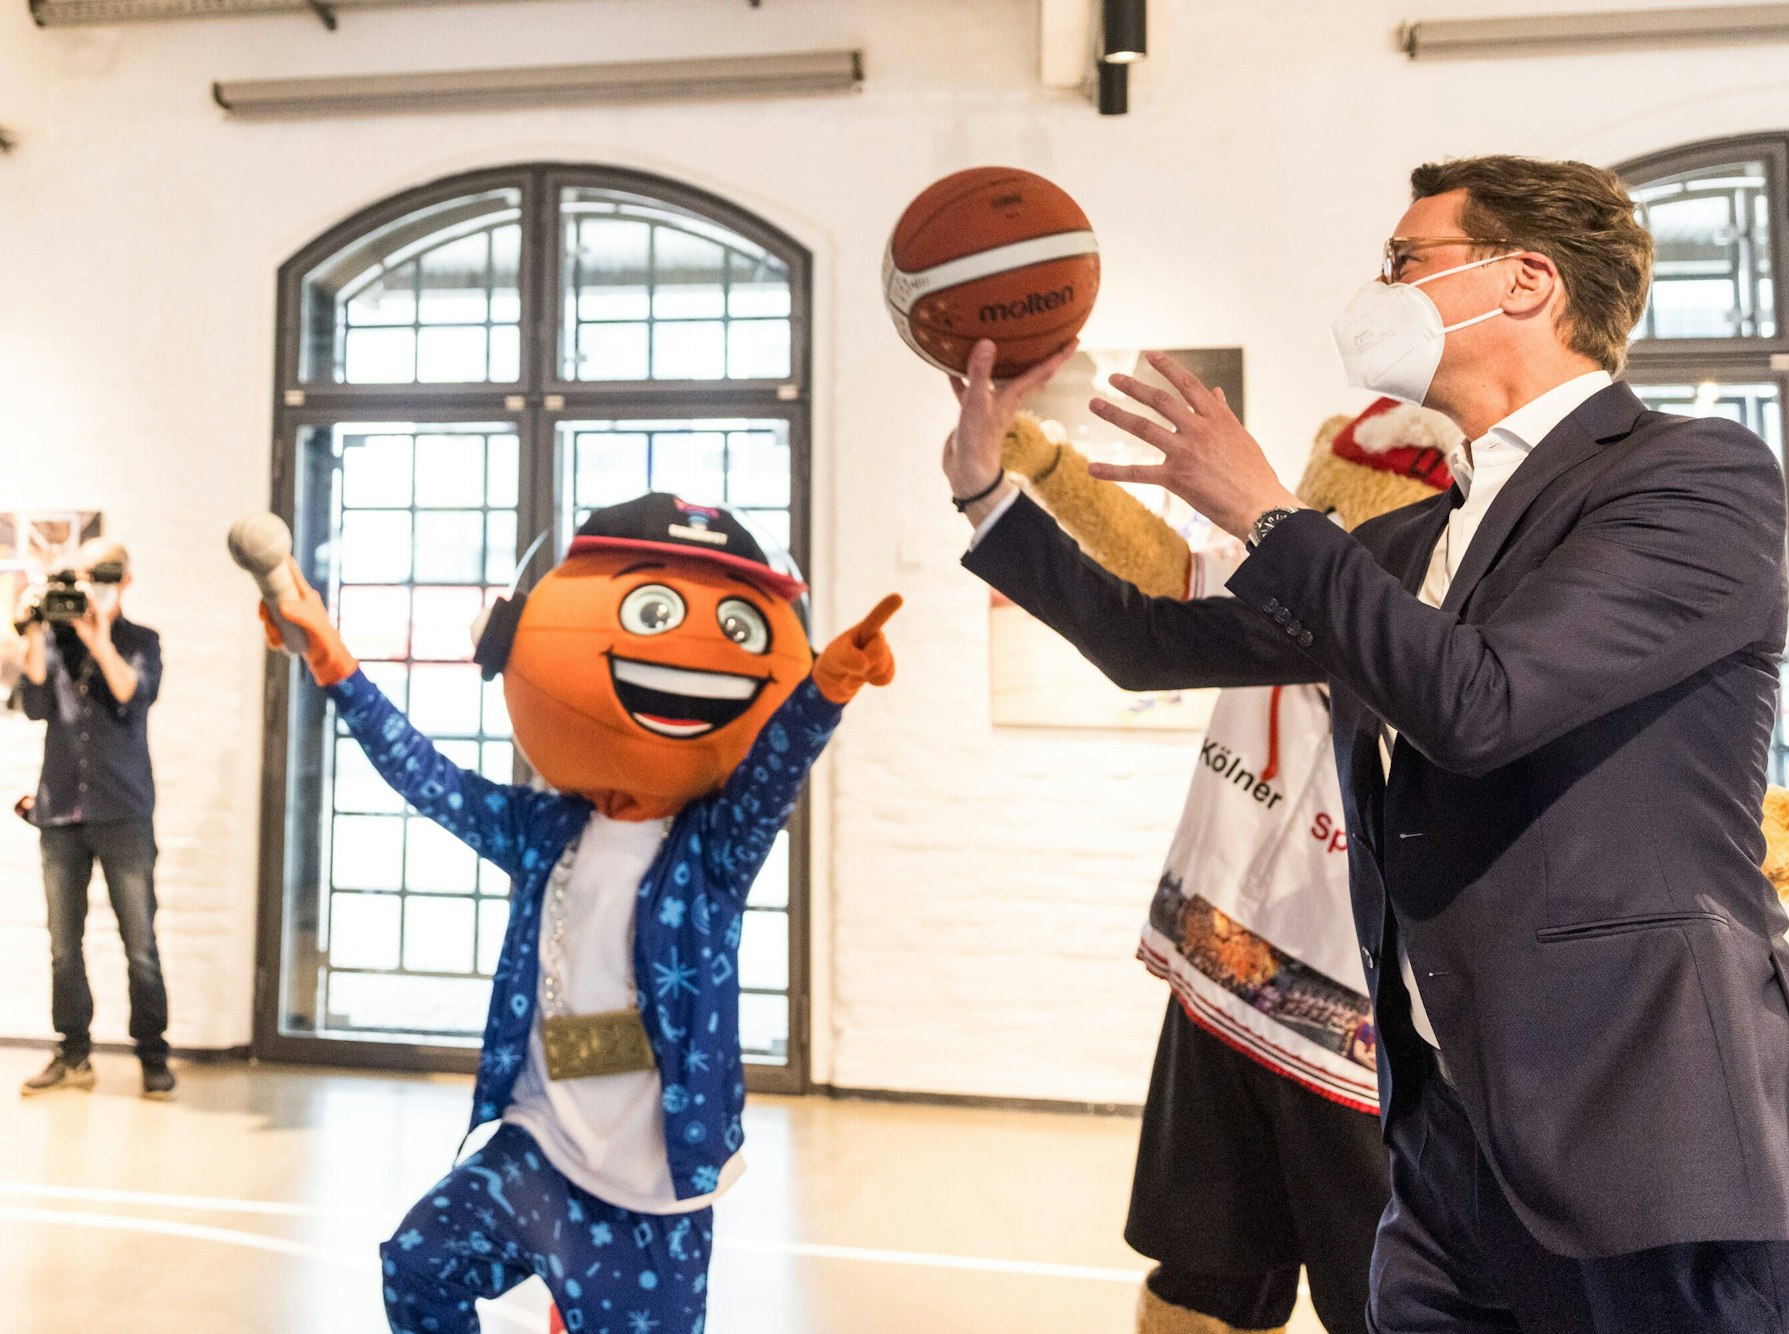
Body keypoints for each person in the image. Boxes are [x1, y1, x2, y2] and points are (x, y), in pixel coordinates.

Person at [943, 153, 1789, 1332]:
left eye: (1401, 262)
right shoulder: (1415, 532)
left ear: (1524, 281)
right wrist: (985, 493)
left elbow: (1482, 705)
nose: (1374, 292)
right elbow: (1151, 643)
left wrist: (1267, 512)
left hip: (1642, 1118)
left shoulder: (1689, 474)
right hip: (1442, 1131)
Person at [258, 494, 898, 1334]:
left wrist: (825, 688)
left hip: (651, 1190)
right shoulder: (544, 829)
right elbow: (426, 776)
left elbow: (773, 770)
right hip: (536, 1151)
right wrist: (333, 662)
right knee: (418, 1264)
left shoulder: (714, 848)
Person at [986, 401, 1457, 1334]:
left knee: (1384, 1293)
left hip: (1354, 1032)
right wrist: (1042, 467)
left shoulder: (1437, 647)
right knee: (1207, 1269)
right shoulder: (1273, 590)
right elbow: (1153, 574)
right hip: (1220, 979)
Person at [7, 539, 173, 1100]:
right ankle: (73, 1054)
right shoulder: (55, 639)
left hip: (124, 810)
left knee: (140, 943)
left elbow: (133, 695)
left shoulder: (141, 641)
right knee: (63, 947)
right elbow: (34, 706)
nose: (96, 585)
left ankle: (153, 1055)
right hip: (60, 812)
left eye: (106, 575)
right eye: (86, 575)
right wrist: (32, 632)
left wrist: (98, 640)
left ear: (126, 580)